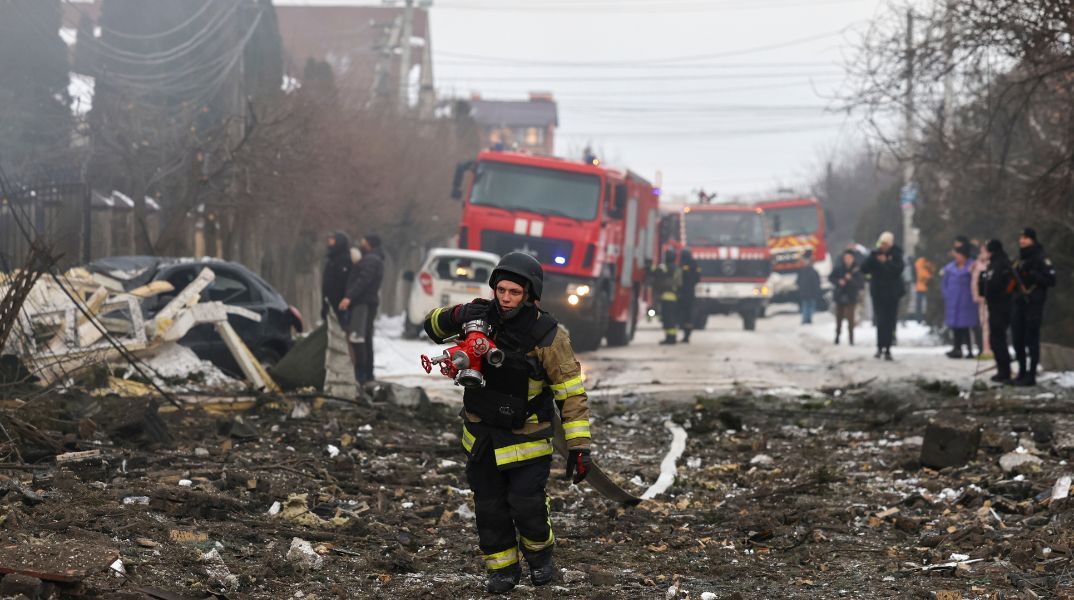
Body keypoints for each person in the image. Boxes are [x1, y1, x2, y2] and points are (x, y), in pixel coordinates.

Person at [422, 252, 592, 594]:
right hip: (481, 435)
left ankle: (540, 557)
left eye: (514, 292)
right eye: (501, 290)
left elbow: (570, 393)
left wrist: (579, 448)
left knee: (527, 505)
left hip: (528, 438)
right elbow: (431, 326)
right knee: (489, 508)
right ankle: (502, 570)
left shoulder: (549, 335)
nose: (506, 298)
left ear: (529, 294)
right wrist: (458, 315)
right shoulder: (478, 317)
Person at [1011, 228, 1057, 386]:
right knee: (1017, 339)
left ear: (1033, 240)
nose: (1022, 240)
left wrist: (1032, 275)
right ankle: (1022, 372)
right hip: (1019, 302)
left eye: (1025, 238)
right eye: (1021, 237)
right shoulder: (1020, 259)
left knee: (1031, 339)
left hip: (1033, 303)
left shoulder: (1040, 257)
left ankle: (1031, 375)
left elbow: (1051, 280)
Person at [339, 234, 385, 386]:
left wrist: (349, 297)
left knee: (358, 338)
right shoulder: (374, 259)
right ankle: (367, 374)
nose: (361, 243)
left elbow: (363, 280)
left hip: (362, 303)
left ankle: (361, 375)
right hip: (366, 302)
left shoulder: (370, 260)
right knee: (365, 338)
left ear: (369, 244)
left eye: (363, 241)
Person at [860, 231, 905, 360]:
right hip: (878, 292)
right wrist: (873, 258)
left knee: (890, 321)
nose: (883, 246)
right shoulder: (875, 254)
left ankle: (888, 348)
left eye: (886, 243)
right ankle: (880, 347)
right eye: (882, 243)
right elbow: (864, 268)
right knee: (880, 320)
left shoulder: (896, 254)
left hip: (892, 293)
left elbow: (898, 270)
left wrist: (886, 262)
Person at [979, 240, 1015, 382]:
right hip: (995, 305)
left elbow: (999, 285)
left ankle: (1004, 371)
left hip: (1001, 306)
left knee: (998, 338)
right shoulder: (993, 264)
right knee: (995, 338)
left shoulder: (1001, 264)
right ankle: (1002, 369)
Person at [941, 246, 979, 358]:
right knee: (955, 326)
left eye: (959, 255)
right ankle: (957, 348)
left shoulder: (971, 267)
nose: (956, 257)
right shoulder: (950, 268)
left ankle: (969, 349)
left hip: (967, 301)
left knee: (966, 326)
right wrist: (947, 294)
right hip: (953, 301)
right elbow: (944, 283)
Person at [829, 249, 863, 345]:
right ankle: (837, 335)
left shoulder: (857, 270)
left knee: (851, 318)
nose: (847, 260)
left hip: (851, 296)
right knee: (839, 318)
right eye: (846, 258)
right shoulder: (839, 268)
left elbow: (860, 284)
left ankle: (851, 338)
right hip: (840, 295)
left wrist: (851, 279)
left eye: (849, 258)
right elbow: (831, 277)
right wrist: (838, 281)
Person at [649, 248, 682, 345]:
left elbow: (654, 275)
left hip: (664, 297)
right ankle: (672, 337)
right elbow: (679, 283)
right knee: (672, 318)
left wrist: (650, 266)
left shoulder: (663, 267)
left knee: (667, 318)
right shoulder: (677, 269)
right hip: (674, 298)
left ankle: (669, 338)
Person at [321, 231, 352, 324]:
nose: (329, 242)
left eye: (333, 240)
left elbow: (344, 281)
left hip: (341, 301)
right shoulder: (331, 259)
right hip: (329, 299)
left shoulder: (345, 259)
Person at [970, 247, 991, 358]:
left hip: (990, 299)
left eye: (985, 251)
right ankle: (985, 349)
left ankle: (989, 349)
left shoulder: (991, 264)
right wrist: (976, 295)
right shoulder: (977, 264)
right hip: (981, 299)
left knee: (989, 325)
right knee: (983, 325)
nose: (982, 254)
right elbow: (974, 281)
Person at [678, 249, 699, 343]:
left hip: (683, 294)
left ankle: (685, 335)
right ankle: (687, 335)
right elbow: (698, 278)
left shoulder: (683, 265)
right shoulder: (694, 264)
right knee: (688, 315)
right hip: (690, 294)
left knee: (684, 315)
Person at [796, 248, 822, 325]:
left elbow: (798, 281)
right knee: (809, 305)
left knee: (806, 305)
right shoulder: (813, 271)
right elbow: (817, 282)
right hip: (811, 292)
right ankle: (808, 319)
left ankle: (806, 319)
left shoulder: (802, 271)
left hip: (805, 291)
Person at [913, 256, 934, 322]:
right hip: (920, 288)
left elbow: (932, 273)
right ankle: (919, 318)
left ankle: (927, 318)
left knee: (927, 305)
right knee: (919, 305)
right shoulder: (921, 263)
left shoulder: (929, 264)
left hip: (927, 288)